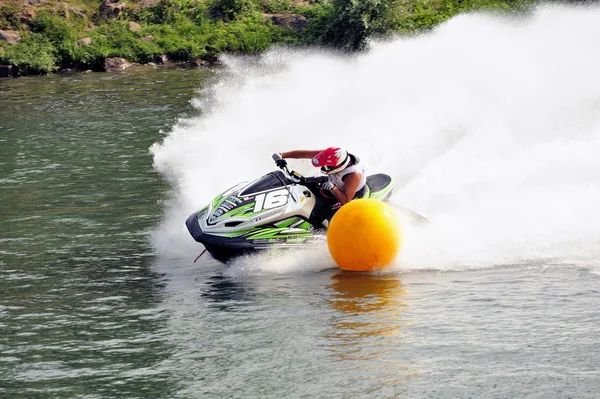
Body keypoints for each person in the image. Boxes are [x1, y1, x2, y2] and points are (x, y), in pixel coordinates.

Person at [272, 147, 366, 227]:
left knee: (321, 220)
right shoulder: (329, 155)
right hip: (331, 183)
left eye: (327, 167)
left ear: (339, 166)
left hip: (347, 195)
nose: (324, 168)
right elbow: (304, 154)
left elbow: (346, 201)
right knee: (298, 182)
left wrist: (334, 189)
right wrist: (281, 155)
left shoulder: (353, 175)